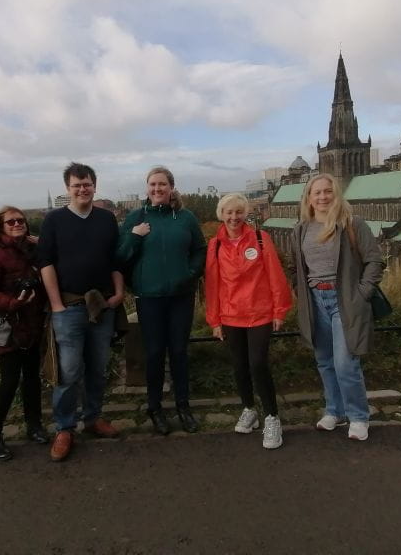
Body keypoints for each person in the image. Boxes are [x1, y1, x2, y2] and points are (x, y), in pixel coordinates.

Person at [37, 162, 124, 461]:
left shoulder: (106, 219)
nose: (83, 189)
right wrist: (57, 305)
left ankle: (93, 417)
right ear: (68, 188)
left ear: (94, 185)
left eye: (87, 184)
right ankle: (64, 427)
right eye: (77, 185)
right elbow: (45, 264)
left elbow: (115, 260)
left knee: (98, 368)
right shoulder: (54, 220)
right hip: (69, 306)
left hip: (102, 305)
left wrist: (120, 293)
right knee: (69, 371)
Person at [291, 173, 384, 441]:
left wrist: (362, 293)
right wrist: (301, 293)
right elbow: (295, 266)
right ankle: (335, 410)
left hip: (344, 300)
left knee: (346, 363)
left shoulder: (352, 224)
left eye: (327, 191)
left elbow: (374, 261)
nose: (322, 197)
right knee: (324, 361)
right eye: (316, 192)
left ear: (336, 194)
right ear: (308, 198)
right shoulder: (301, 229)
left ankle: (358, 416)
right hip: (315, 300)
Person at [117, 166, 206, 435]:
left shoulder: (185, 217)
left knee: (179, 352)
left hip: (181, 296)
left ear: (171, 188)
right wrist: (134, 236)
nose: (157, 189)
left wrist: (190, 274)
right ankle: (154, 408)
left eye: (162, 184)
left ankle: (183, 406)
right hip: (150, 297)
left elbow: (200, 249)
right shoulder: (136, 216)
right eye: (153, 185)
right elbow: (120, 257)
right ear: (147, 188)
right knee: (154, 353)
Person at [204, 193, 292, 449]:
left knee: (258, 364)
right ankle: (248, 409)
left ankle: (272, 417)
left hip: (259, 312)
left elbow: (275, 275)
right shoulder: (215, 245)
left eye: (238, 212)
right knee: (239, 365)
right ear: (222, 214)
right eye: (229, 212)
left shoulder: (261, 240)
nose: (234, 217)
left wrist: (279, 310)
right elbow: (213, 284)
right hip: (231, 315)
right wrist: (215, 319)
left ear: (245, 214)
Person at [0, 206, 49, 461]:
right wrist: (12, 302)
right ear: (1, 226)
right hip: (9, 326)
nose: (17, 224)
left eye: (21, 220)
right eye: (11, 221)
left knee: (32, 378)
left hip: (33, 323)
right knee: (8, 381)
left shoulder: (31, 250)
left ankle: (34, 425)